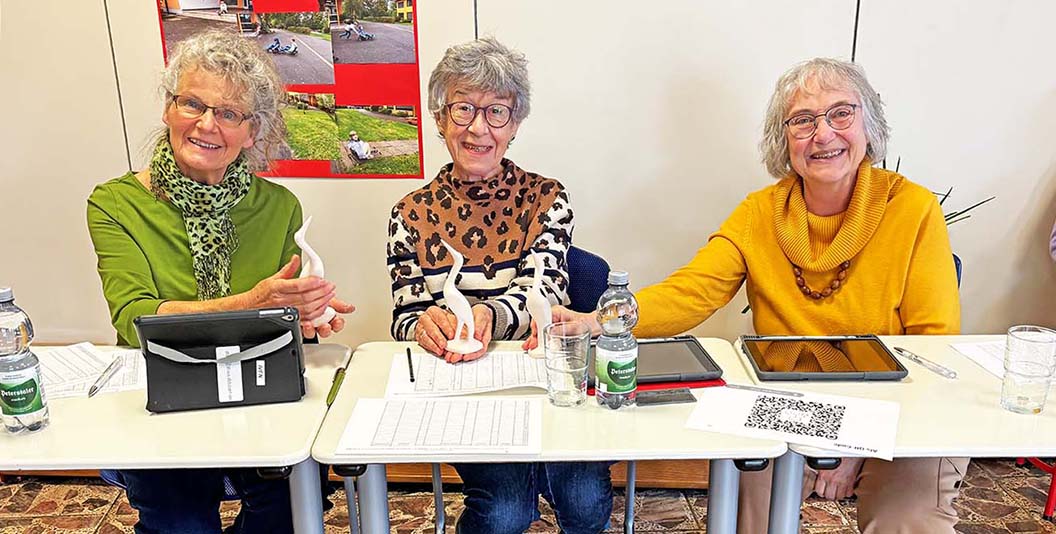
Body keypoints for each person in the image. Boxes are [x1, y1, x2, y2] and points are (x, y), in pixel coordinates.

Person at [535, 58, 967, 533]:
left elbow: (933, 345)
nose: (823, 134)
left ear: (870, 124)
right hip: (797, 402)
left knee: (906, 520)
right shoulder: (761, 212)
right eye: (802, 120)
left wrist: (857, 446)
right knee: (749, 499)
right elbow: (693, 290)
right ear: (784, 139)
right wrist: (598, 321)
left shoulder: (914, 209)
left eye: (841, 113)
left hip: (902, 403)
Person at [87, 30, 353, 533]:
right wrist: (253, 302)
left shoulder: (279, 206)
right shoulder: (116, 204)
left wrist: (306, 317)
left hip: (258, 390)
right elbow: (134, 320)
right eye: (193, 103)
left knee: (291, 510)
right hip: (166, 394)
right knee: (181, 522)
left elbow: (277, 323)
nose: (207, 124)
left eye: (229, 113)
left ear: (251, 132)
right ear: (168, 109)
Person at [386, 37, 612, 534]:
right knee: (504, 511)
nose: (478, 128)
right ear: (440, 118)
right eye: (463, 108)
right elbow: (403, 319)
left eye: (496, 112)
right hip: (463, 392)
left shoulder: (547, 198)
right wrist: (426, 325)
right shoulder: (409, 214)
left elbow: (543, 292)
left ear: (515, 124)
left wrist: (486, 315)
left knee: (586, 502)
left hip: (545, 380)